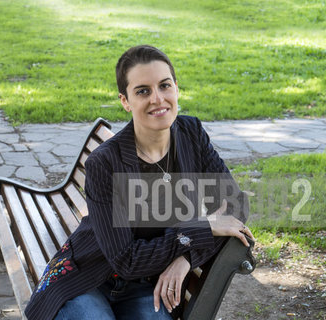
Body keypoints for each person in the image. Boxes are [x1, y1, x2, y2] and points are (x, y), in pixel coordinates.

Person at [25, 45, 255, 320]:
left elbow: (236, 207)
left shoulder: (191, 134)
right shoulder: (105, 163)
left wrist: (187, 259)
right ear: (125, 101)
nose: (158, 99)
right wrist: (201, 228)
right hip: (87, 278)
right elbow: (127, 261)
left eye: (164, 86)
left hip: (147, 285)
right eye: (143, 91)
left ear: (176, 88)